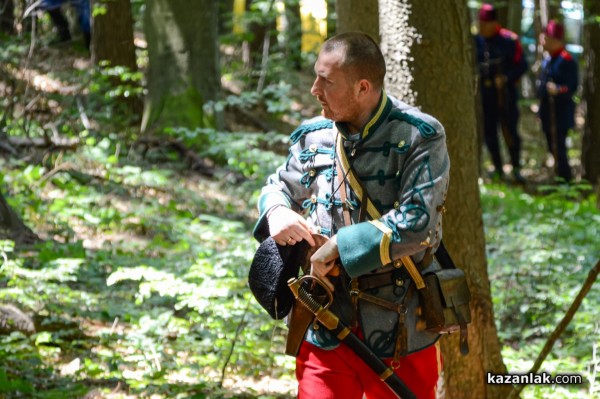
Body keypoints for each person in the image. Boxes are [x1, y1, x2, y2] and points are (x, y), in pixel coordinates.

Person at [253, 32, 449, 399]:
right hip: (324, 319)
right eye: (316, 76)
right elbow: (277, 186)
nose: (314, 89)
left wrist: (339, 247)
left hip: (401, 327)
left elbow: (418, 223)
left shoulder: (419, 136)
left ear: (362, 87)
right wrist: (277, 211)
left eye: (327, 81)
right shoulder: (311, 138)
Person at [475, 3, 528, 182]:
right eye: (480, 24)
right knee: (490, 132)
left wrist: (506, 78)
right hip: (485, 93)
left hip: (506, 94)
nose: (482, 28)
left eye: (485, 25)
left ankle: (516, 167)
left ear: (494, 23)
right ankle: (497, 168)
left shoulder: (509, 40)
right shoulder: (476, 40)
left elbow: (522, 65)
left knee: (510, 131)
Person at [537, 20, 578, 182]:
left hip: (561, 115)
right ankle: (557, 178)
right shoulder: (548, 59)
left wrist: (558, 90)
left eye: (546, 38)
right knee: (551, 148)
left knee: (560, 149)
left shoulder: (567, 60)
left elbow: (571, 87)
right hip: (548, 112)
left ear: (555, 40)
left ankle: (565, 181)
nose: (543, 41)